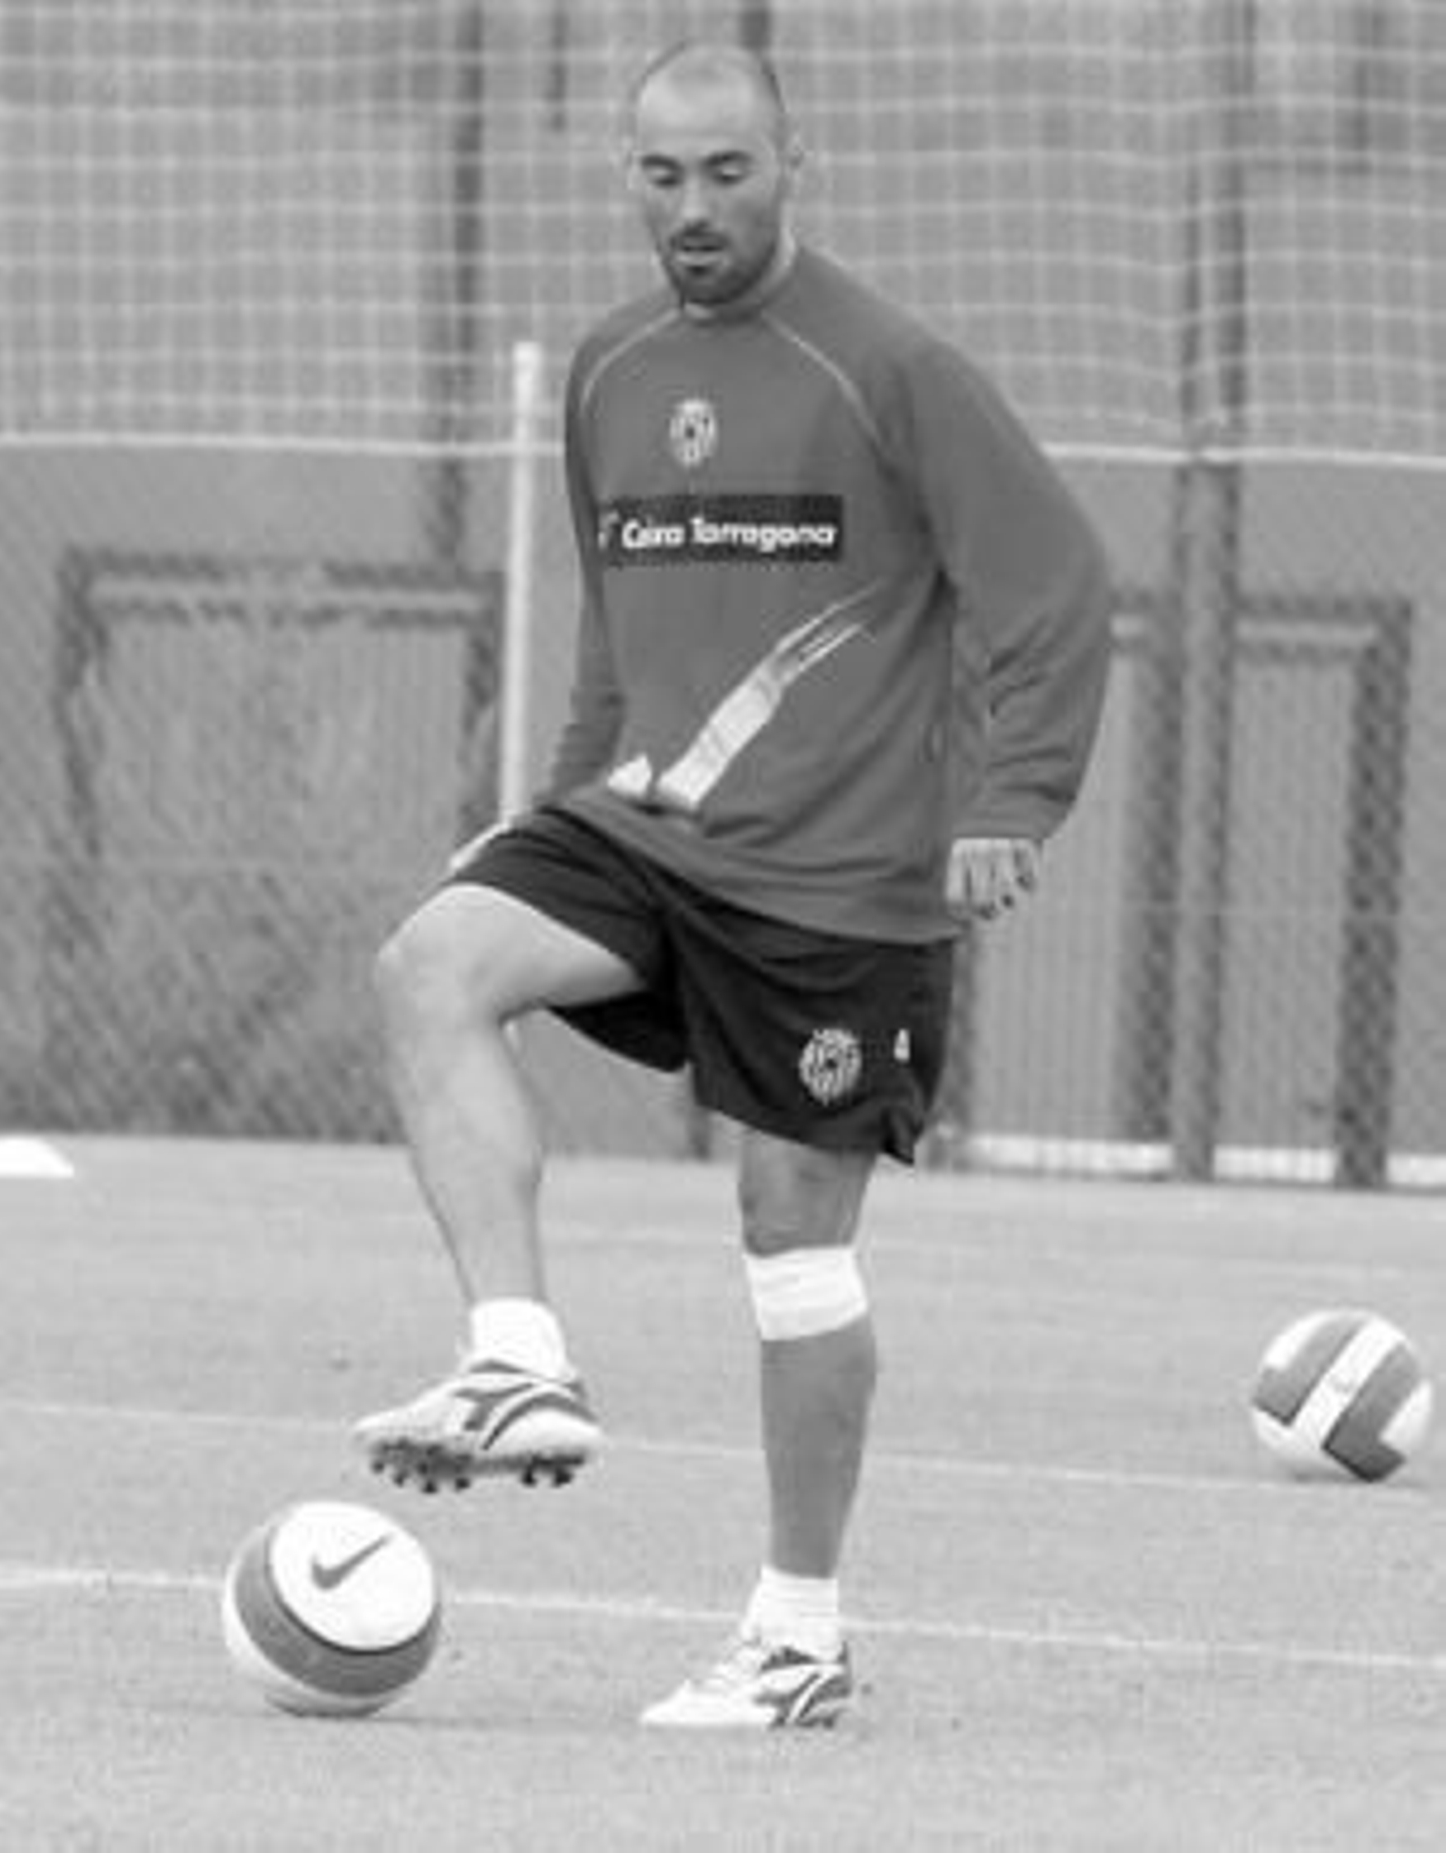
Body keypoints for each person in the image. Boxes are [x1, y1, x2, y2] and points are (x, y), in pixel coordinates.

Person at [353, 38, 1113, 1731]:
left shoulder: (892, 368)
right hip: (646, 833)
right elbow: (621, 642)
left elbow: (1053, 585)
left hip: (839, 889)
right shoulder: (610, 370)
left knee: (790, 1243)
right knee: (429, 963)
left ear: (793, 164)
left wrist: (1014, 800)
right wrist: (555, 814)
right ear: (627, 176)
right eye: (661, 175)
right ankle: (516, 1357)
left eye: (726, 172)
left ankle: (796, 1634)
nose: (692, 208)